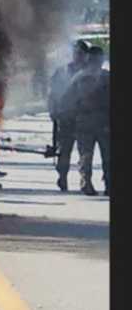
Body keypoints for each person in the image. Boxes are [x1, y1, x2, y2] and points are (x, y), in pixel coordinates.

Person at [62, 45, 109, 196]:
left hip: (88, 121)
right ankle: (104, 184)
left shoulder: (79, 77)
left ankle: (87, 183)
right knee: (103, 155)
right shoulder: (106, 77)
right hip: (100, 122)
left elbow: (67, 100)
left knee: (87, 155)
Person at [47, 40, 89, 191]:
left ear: (86, 55)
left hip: (84, 118)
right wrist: (52, 110)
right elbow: (52, 94)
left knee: (85, 151)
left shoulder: (90, 71)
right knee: (64, 150)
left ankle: (85, 181)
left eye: (81, 53)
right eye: (76, 53)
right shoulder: (62, 71)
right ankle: (62, 177)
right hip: (65, 117)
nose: (78, 56)